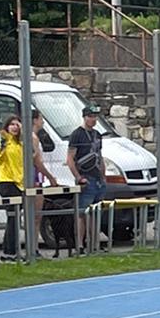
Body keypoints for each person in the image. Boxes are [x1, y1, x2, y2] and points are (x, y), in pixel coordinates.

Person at [0, 115, 49, 263]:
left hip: (20, 183)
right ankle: (8, 252)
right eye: (11, 124)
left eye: (17, 125)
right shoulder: (3, 139)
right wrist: (4, 140)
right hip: (7, 182)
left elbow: (32, 154)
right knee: (12, 217)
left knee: (16, 218)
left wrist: (24, 132)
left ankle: (12, 251)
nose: (14, 127)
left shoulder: (20, 143)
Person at [67, 103, 110, 251]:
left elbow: (100, 155)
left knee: (96, 212)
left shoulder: (97, 135)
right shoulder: (77, 134)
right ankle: (79, 244)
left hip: (97, 178)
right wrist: (78, 177)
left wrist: (103, 175)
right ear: (84, 117)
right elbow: (70, 158)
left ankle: (95, 243)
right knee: (82, 213)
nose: (93, 119)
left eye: (95, 117)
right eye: (90, 116)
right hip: (85, 177)